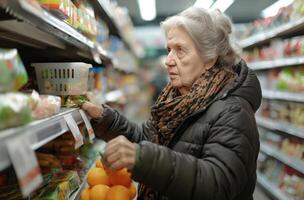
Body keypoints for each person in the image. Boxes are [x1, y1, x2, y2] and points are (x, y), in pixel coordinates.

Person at [82, 6, 261, 200]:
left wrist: (144, 159)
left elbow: (218, 183)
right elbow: (147, 138)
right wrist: (105, 117)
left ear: (209, 58)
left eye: (180, 51)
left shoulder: (233, 111)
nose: (168, 60)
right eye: (169, 50)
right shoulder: (175, 99)